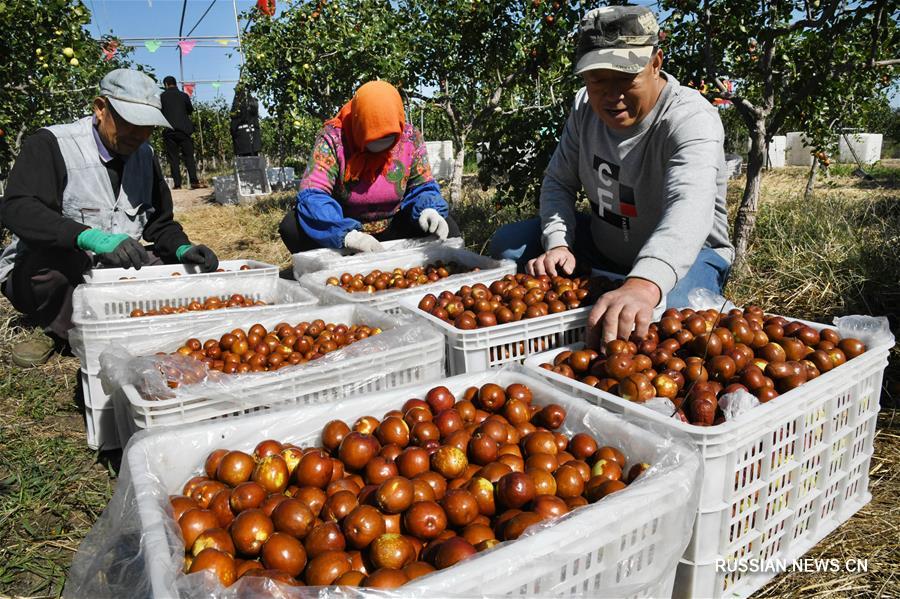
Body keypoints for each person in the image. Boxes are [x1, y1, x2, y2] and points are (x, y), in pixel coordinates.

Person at [489, 6, 733, 346]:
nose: (611, 95)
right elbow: (559, 182)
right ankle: (616, 282)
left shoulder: (689, 119)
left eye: (625, 77)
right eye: (597, 80)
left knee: (670, 320)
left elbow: (689, 206)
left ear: (655, 63)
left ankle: (637, 285)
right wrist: (558, 243)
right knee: (509, 245)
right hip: (606, 245)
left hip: (691, 254)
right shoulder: (584, 109)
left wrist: (645, 283)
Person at [0, 68, 219, 367]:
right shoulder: (53, 144)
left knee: (172, 268)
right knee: (54, 265)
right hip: (48, 270)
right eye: (130, 123)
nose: (140, 135)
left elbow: (160, 222)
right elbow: (17, 207)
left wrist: (182, 248)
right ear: (100, 108)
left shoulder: (145, 155)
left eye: (148, 127)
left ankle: (111, 320)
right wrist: (89, 237)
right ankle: (53, 328)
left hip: (107, 271)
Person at [278, 80, 459, 256]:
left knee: (446, 227)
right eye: (372, 138)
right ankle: (337, 263)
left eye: (388, 138)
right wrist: (346, 235)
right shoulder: (333, 139)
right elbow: (313, 194)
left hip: (395, 225)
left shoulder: (409, 138)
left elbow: (422, 186)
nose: (380, 146)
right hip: (344, 230)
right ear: (358, 125)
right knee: (292, 226)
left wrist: (429, 209)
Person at [160, 75, 202, 189]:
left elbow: (161, 112)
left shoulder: (162, 97)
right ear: (175, 83)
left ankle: (178, 184)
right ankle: (194, 181)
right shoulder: (184, 95)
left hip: (169, 131)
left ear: (166, 85)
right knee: (188, 156)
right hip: (184, 130)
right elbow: (189, 110)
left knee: (173, 158)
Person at [230, 84, 262, 157]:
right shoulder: (254, 103)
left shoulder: (237, 105)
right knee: (254, 162)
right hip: (254, 140)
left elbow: (234, 124)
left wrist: (234, 133)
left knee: (245, 164)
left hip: (242, 141)